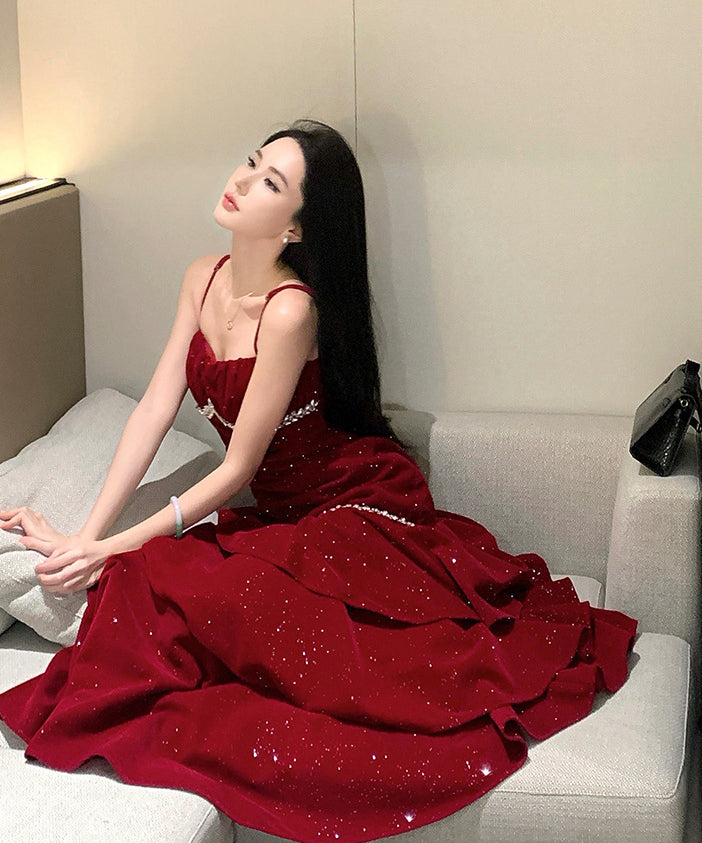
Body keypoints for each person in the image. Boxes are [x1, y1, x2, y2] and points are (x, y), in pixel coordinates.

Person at [0, 119, 636, 843]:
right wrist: (86, 535)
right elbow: (153, 409)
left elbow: (237, 467)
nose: (240, 182)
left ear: (296, 226)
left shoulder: (291, 310)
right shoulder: (201, 276)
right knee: (160, 579)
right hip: (280, 519)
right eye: (250, 163)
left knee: (210, 591)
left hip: (350, 506)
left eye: (269, 182)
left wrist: (111, 548)